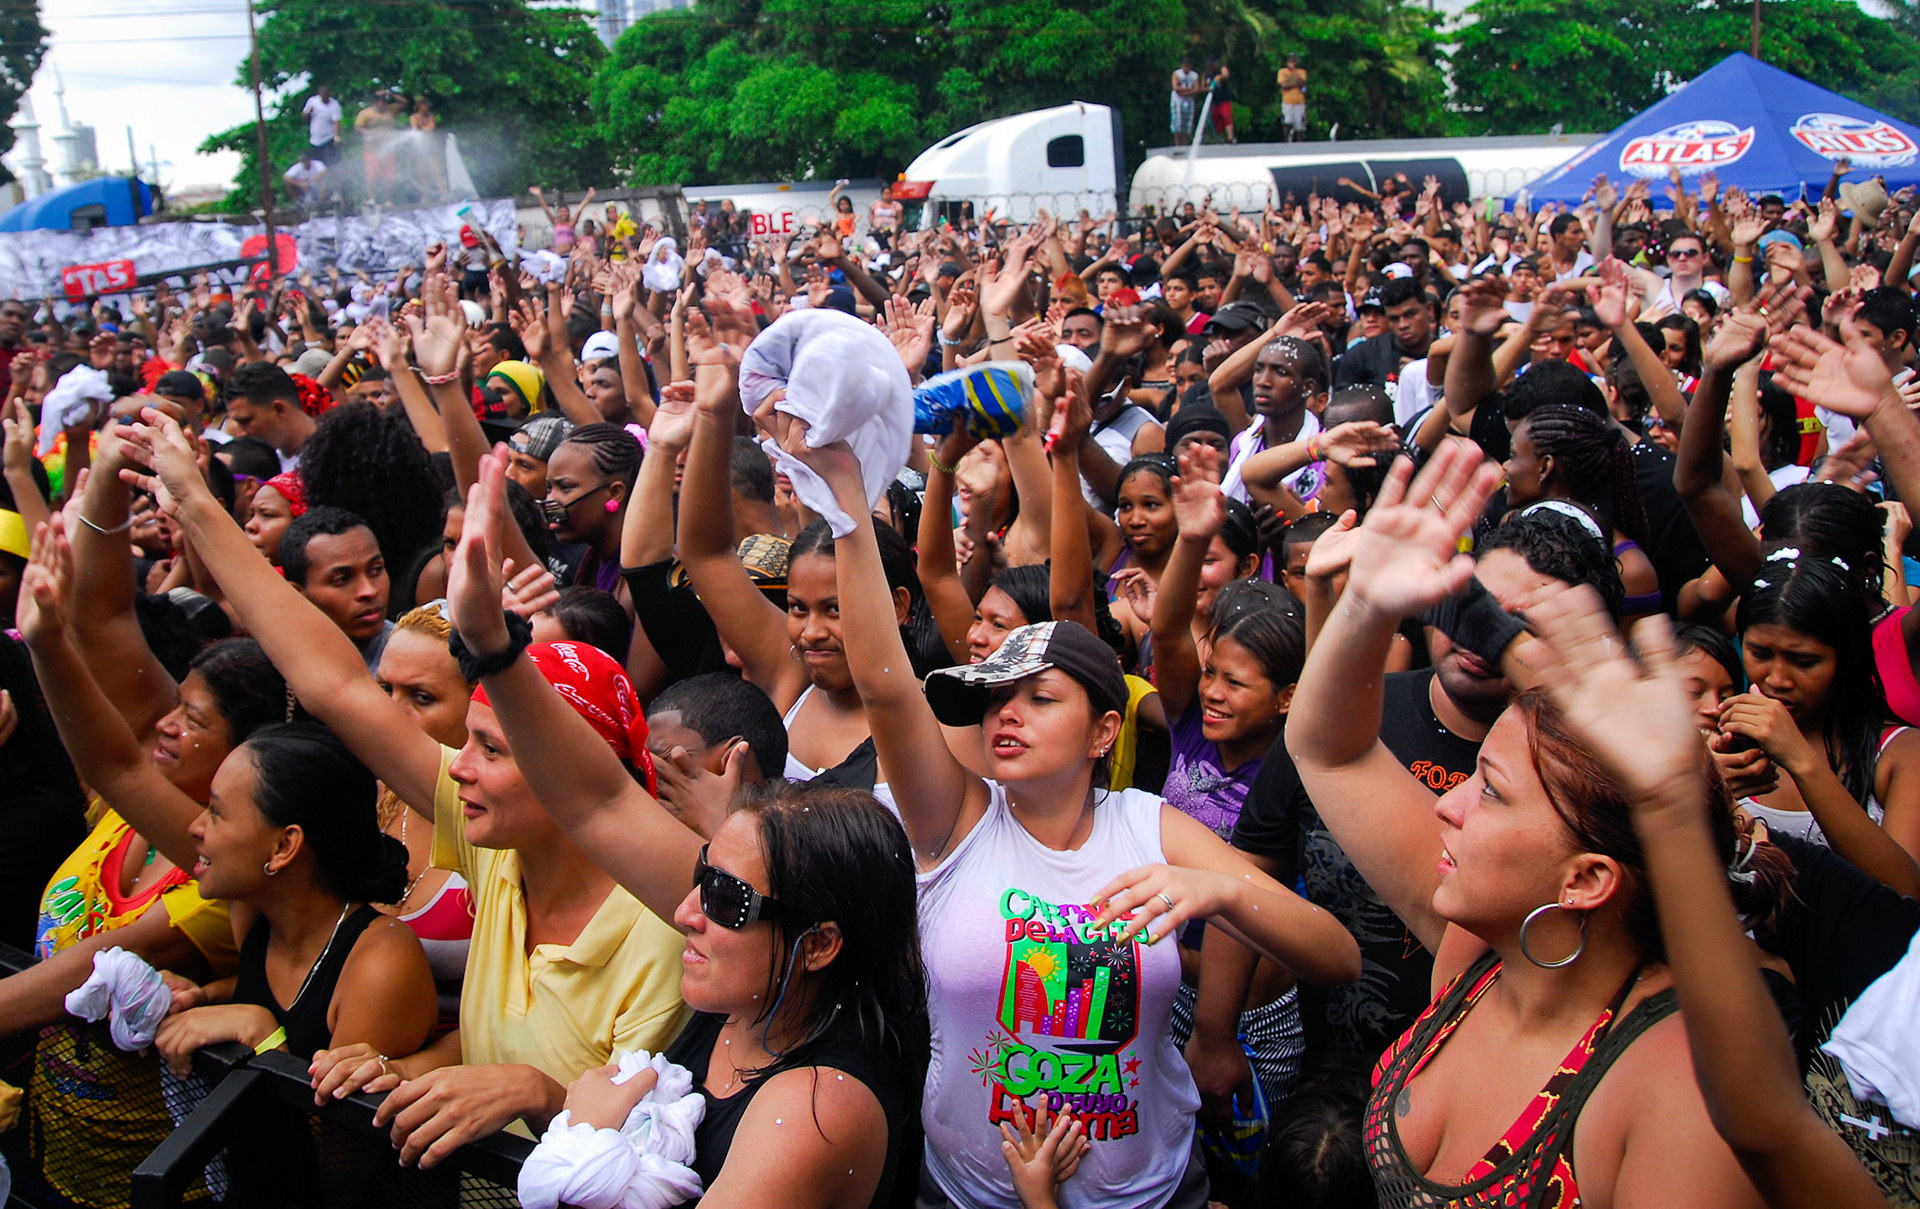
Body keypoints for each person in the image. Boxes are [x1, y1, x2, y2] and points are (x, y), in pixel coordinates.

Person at [800, 410, 1358, 1209]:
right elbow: (887, 682)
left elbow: (1336, 957)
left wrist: (1222, 891)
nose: (1006, 715)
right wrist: (850, 508)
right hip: (967, 1191)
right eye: (995, 699)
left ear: (1104, 730)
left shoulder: (1147, 825)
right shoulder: (952, 826)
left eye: (1039, 697)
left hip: (1154, 1190)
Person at [115, 406, 691, 1169]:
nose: (456, 765)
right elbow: (333, 684)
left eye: (490, 747)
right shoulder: (502, 853)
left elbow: (639, 1148)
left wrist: (536, 1092)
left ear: (569, 771)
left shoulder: (667, 929)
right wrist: (194, 505)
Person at [1287, 442, 1774, 1209]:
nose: (1444, 801)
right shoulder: (1484, 954)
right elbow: (1332, 750)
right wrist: (1365, 603)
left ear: (1584, 879)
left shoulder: (1675, 1097)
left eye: (1493, 792)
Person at [445, 449, 929, 1208]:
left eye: (724, 899)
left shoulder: (815, 1110)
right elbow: (597, 800)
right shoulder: (760, 962)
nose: (684, 911)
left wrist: (583, 1135)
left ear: (823, 941)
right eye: (701, 878)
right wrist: (496, 649)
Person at [1721, 554, 1920, 895]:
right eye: (1760, 654)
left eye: (1804, 661)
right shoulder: (1718, 743)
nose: (1778, 679)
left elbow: (1905, 892)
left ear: (1847, 658)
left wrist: (1799, 758)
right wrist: (1709, 790)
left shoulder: (1901, 754)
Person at [302, 84, 342, 168]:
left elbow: (336, 122)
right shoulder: (312, 101)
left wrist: (337, 136)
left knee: (331, 163)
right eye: (323, 96)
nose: (325, 98)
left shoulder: (334, 104)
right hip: (315, 140)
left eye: (326, 96)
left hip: (328, 138)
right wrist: (308, 113)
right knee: (317, 164)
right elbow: (304, 117)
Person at [1171, 58, 1201, 148]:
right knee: (1178, 123)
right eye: (1185, 65)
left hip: (1189, 101)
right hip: (1178, 101)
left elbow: (1196, 89)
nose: (1186, 67)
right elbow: (1176, 87)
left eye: (1188, 65)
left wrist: (1184, 91)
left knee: (1187, 123)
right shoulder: (1177, 74)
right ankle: (1177, 144)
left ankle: (1184, 144)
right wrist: (1189, 89)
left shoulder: (1194, 75)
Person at [1277, 55, 1308, 142]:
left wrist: (1293, 81)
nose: (1292, 64)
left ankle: (1299, 143)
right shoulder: (1283, 72)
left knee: (1299, 125)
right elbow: (1284, 85)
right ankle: (1286, 141)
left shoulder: (1301, 72)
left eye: (1294, 62)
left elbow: (1304, 83)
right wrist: (1296, 83)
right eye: (1290, 62)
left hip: (1299, 102)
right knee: (1288, 121)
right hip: (1288, 101)